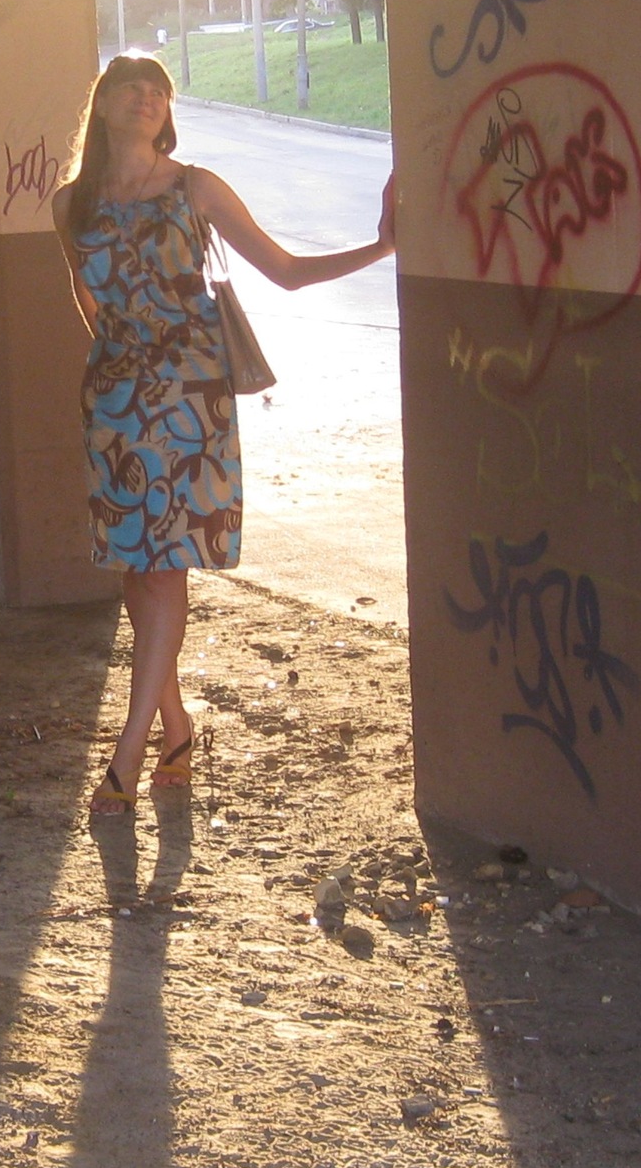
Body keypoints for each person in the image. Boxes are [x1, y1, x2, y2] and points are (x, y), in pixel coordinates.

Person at [52, 52, 394, 815]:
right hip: (114, 403)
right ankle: (176, 727)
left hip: (189, 402)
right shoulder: (69, 203)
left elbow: (286, 271)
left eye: (159, 90)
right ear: (101, 104)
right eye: (130, 86)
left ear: (168, 111)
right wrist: (121, 361)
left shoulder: (194, 187)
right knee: (136, 567)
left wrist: (382, 247)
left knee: (164, 568)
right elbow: (86, 296)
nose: (146, 96)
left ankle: (128, 754)